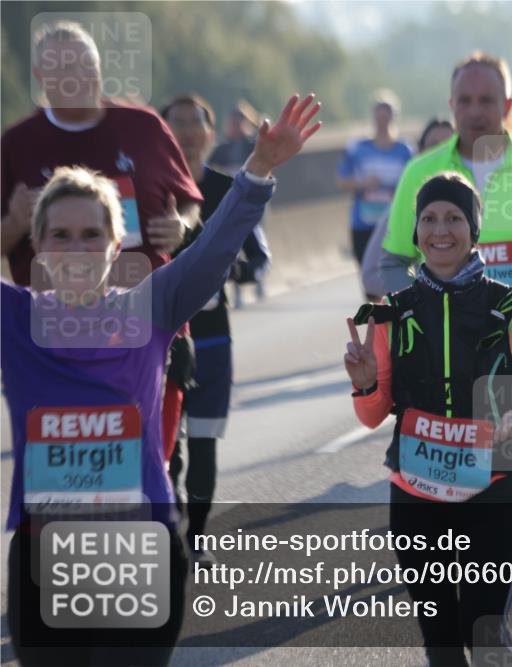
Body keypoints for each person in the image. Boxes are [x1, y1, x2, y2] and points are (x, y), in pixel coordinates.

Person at [2, 93, 320, 666]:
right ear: (37, 247)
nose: (76, 249)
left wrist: (259, 171)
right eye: (60, 236)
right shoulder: (15, 319)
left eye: (91, 235)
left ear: (115, 244)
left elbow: (217, 246)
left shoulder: (150, 306)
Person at [347, 172, 512, 666]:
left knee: (485, 634)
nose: (440, 230)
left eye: (454, 218)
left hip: (491, 486)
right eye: (428, 218)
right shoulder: (392, 312)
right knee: (442, 644)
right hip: (414, 494)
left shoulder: (511, 308)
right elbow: (371, 415)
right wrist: (365, 384)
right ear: (415, 232)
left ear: (474, 231)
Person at [1, 20, 205, 503]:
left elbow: (190, 204)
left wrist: (183, 227)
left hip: (149, 328)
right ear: (40, 75)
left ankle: (157, 547)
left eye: (84, 64)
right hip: (54, 342)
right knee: (74, 476)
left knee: (149, 458)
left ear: (98, 68)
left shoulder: (144, 126)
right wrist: (13, 223)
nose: (75, 76)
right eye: (61, 66)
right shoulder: (16, 144)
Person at [379, 52, 512, 334]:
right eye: (465, 101)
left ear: (508, 105)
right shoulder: (419, 172)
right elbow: (394, 262)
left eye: (486, 100)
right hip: (442, 354)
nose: (475, 111)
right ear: (452, 105)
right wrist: (418, 311)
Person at [160, 93, 273, 565]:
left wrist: (228, 272)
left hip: (211, 336)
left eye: (195, 123)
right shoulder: (147, 188)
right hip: (158, 340)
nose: (186, 132)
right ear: (162, 132)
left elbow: (260, 261)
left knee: (202, 440)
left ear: (210, 134)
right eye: (176, 123)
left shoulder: (230, 189)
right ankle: (171, 530)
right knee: (166, 446)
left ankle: (198, 541)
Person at [361, 118, 454, 298]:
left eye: (449, 146)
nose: (441, 155)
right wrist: (425, 293)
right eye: (434, 146)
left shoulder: (483, 200)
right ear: (419, 153)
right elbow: (371, 275)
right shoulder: (404, 205)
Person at [336, 91, 413, 296]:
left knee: (393, 281)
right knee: (369, 282)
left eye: (386, 116)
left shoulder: (405, 150)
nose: (382, 121)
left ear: (393, 117)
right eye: (378, 116)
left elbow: (415, 182)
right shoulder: (358, 148)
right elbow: (342, 180)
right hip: (363, 223)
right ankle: (375, 325)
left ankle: (392, 324)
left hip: (393, 224)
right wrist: (363, 183)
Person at [208, 99, 260, 175]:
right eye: (232, 123)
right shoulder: (219, 150)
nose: (235, 127)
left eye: (237, 123)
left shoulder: (254, 147)